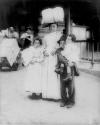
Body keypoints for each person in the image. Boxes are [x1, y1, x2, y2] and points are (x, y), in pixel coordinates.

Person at [55, 34, 80, 108]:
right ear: (59, 43)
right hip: (63, 68)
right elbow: (60, 58)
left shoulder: (69, 48)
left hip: (71, 67)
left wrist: (73, 62)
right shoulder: (59, 50)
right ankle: (64, 99)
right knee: (62, 84)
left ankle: (71, 101)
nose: (62, 44)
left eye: (64, 42)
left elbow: (75, 55)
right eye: (61, 42)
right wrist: (68, 63)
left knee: (70, 85)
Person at [42, 22, 62, 100]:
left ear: (56, 27)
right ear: (49, 27)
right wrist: (44, 51)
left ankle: (54, 94)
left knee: (53, 72)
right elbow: (44, 46)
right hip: (47, 55)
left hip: (54, 54)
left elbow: (60, 45)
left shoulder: (59, 36)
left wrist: (55, 50)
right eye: (51, 26)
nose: (53, 28)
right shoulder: (46, 36)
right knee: (47, 72)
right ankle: (47, 94)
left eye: (54, 26)